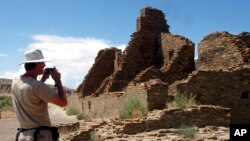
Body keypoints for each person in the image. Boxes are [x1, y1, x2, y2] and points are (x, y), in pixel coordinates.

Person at [11, 49, 67, 141]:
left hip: (23, 135)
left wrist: (42, 80)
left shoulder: (15, 81)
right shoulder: (38, 86)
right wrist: (58, 80)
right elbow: (63, 102)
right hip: (40, 136)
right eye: (42, 62)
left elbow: (33, 92)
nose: (44, 65)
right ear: (36, 63)